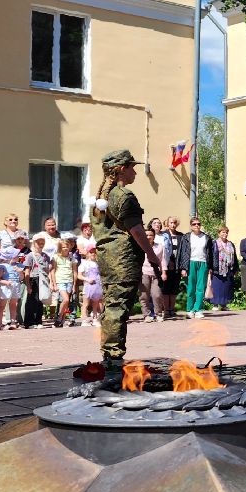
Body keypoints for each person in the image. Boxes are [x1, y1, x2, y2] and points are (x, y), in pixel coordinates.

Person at [91, 148, 164, 366]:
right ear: (122, 169)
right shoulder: (123, 196)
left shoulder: (101, 197)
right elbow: (136, 230)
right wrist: (152, 255)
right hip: (123, 258)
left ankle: (109, 353)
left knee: (113, 304)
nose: (135, 172)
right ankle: (113, 357)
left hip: (108, 257)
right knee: (118, 306)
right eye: (132, 167)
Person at [178, 216, 214, 318]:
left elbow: (210, 253)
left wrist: (211, 267)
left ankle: (198, 309)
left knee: (201, 287)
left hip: (203, 263)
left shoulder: (206, 237)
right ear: (191, 226)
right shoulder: (186, 237)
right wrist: (183, 268)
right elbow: (183, 253)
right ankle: (190, 310)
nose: (197, 226)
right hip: (191, 263)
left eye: (198, 224)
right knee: (191, 287)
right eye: (194, 224)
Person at [139, 218, 165, 322]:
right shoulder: (140, 247)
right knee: (144, 295)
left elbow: (162, 260)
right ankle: (146, 315)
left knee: (157, 294)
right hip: (144, 273)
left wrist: (164, 272)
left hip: (156, 274)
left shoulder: (159, 247)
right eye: (146, 235)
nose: (148, 237)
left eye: (151, 235)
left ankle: (158, 314)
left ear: (154, 236)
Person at [211, 225, 237, 310]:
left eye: (226, 232)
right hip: (217, 268)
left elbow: (235, 257)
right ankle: (215, 304)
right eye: (223, 232)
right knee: (217, 287)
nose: (225, 234)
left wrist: (235, 268)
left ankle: (224, 304)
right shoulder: (214, 243)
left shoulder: (230, 244)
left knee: (226, 287)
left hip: (228, 268)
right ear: (219, 233)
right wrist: (210, 267)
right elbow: (211, 256)